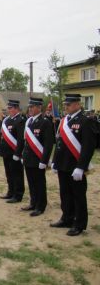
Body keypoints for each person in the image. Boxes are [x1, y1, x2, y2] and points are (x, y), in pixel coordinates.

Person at [50, 94, 97, 236]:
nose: (66, 107)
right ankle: (67, 218)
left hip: (75, 166)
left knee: (78, 196)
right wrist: (55, 162)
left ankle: (79, 223)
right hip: (63, 164)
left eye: (68, 104)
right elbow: (59, 143)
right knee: (65, 194)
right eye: (65, 104)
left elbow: (88, 146)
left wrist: (81, 167)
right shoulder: (64, 120)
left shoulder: (86, 121)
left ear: (78, 104)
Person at [21, 98, 53, 217]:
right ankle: (33, 203)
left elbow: (48, 144)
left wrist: (44, 161)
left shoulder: (45, 122)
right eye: (29, 107)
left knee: (39, 183)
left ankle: (41, 206)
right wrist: (23, 155)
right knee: (31, 182)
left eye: (32, 107)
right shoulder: (29, 121)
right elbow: (26, 142)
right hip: (28, 158)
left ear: (39, 107)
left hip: (38, 159)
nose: (30, 109)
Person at [0, 100, 26, 203]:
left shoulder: (20, 120)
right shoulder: (6, 120)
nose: (9, 110)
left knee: (17, 174)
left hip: (14, 153)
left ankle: (18, 195)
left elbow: (21, 139)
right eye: (8, 108)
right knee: (9, 173)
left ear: (16, 108)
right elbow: (2, 136)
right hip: (6, 152)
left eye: (10, 108)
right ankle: (10, 192)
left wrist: (18, 153)